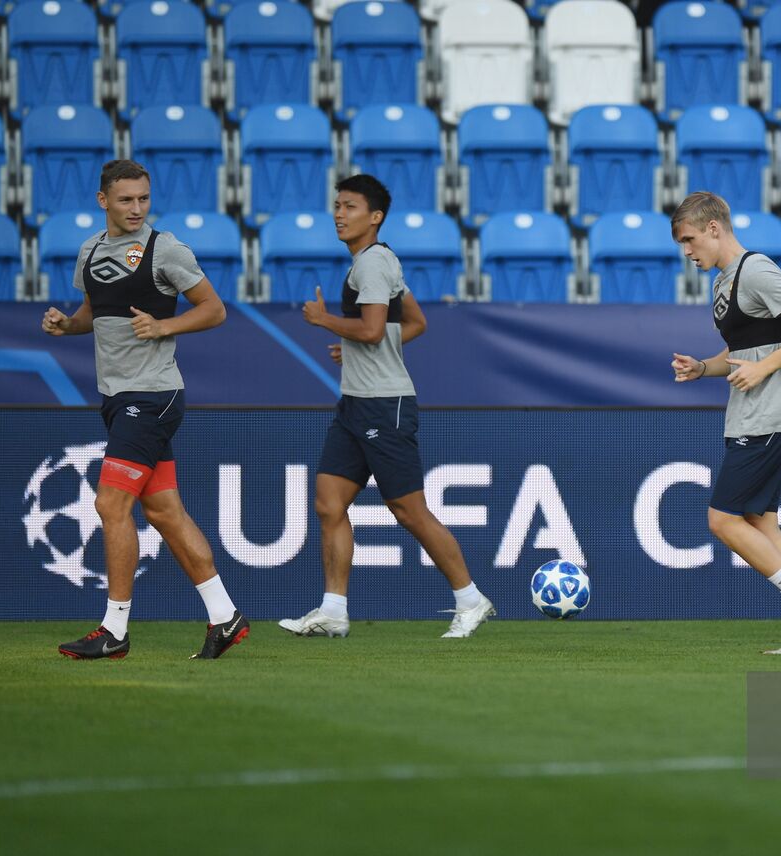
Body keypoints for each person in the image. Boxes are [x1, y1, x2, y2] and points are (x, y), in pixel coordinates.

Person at [42, 159, 247, 660]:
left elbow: (214, 309)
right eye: (126, 199)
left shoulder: (165, 249)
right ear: (103, 201)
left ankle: (114, 630)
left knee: (111, 505)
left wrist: (164, 326)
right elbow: (94, 314)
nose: (137, 208)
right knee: (164, 511)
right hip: (119, 398)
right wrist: (66, 325)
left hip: (152, 396)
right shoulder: (91, 250)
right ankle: (225, 615)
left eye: (143, 199)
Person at [278, 175, 494, 639]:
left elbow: (374, 329)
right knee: (328, 503)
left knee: (408, 510)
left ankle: (470, 599)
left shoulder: (373, 263)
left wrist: (325, 321)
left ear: (374, 217)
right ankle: (333, 610)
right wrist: (355, 346)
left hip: (383, 405)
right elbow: (414, 322)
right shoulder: (376, 260)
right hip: (356, 404)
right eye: (337, 205)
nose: (339, 214)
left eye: (350, 206)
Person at [669, 191, 781, 654]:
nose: (687, 251)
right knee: (761, 522)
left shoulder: (756, 270)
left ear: (714, 229)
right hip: (751, 414)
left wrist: (763, 369)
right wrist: (703, 367)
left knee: (722, 520)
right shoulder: (723, 282)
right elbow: (745, 350)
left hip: (769, 414)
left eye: (689, 239)